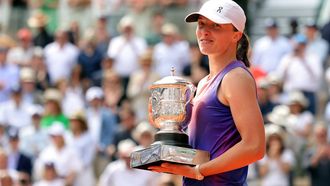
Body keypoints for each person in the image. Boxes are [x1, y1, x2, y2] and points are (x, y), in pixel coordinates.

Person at [148, 0, 265, 185]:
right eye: (201, 24)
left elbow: (255, 147)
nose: (204, 31)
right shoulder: (203, 83)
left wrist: (198, 172)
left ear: (236, 35)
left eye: (216, 25)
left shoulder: (236, 77)